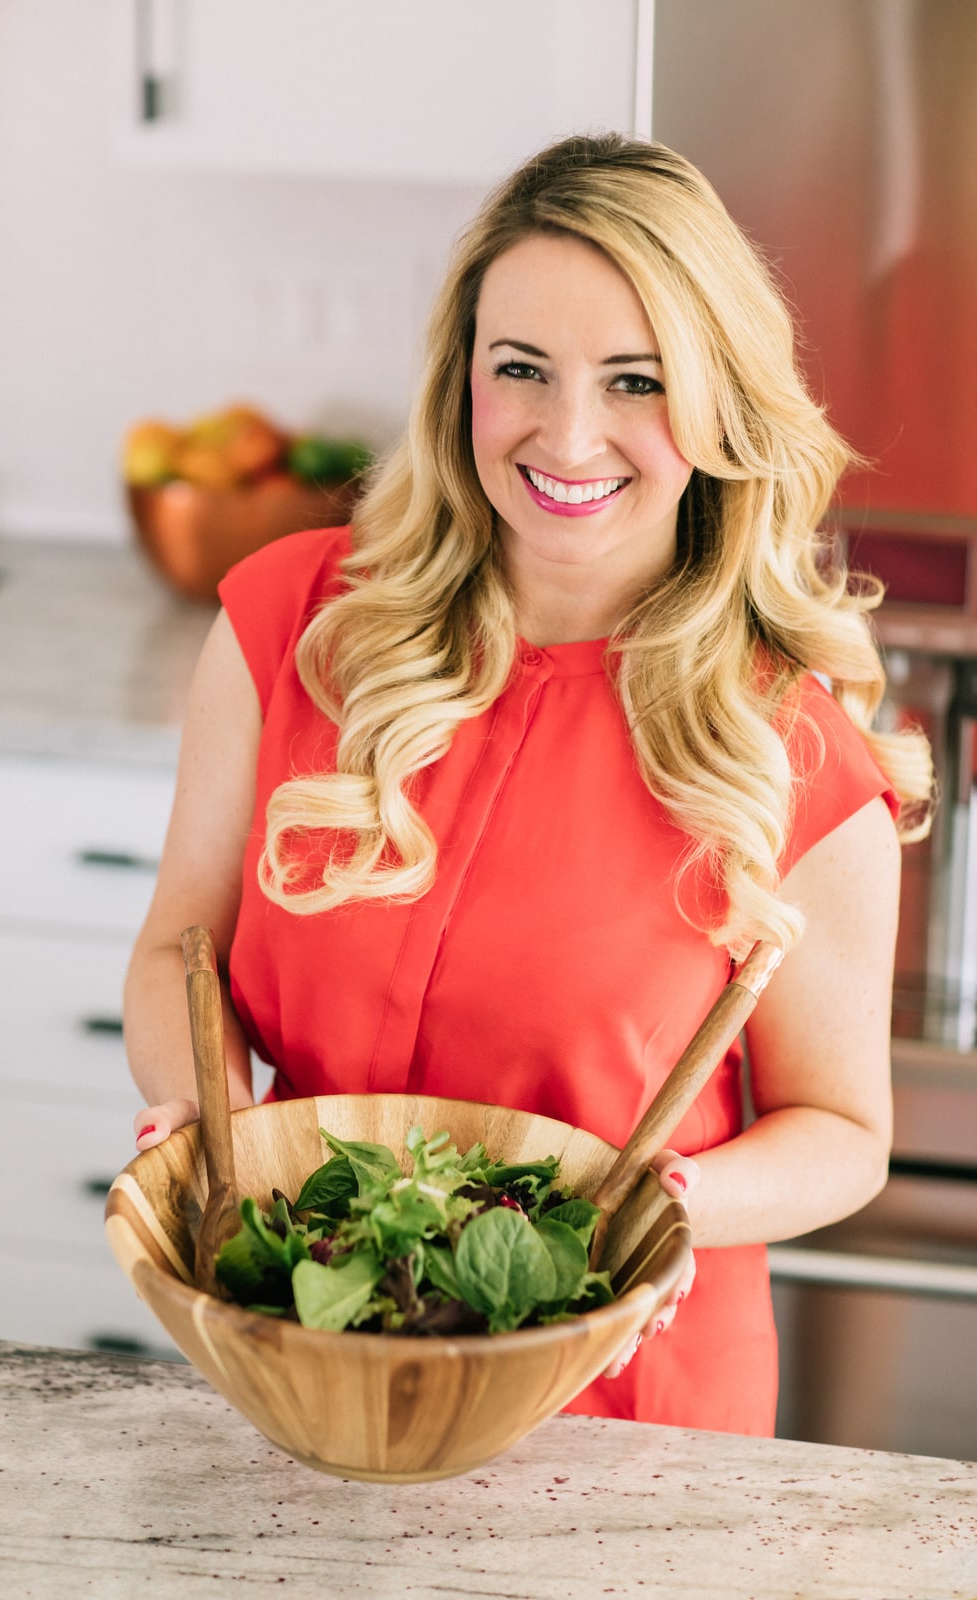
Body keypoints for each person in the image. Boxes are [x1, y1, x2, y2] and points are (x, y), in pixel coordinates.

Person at [123, 133, 934, 1435]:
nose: (570, 434)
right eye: (523, 370)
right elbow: (179, 949)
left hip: (625, 1413)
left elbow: (841, 1129)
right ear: (462, 385)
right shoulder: (291, 626)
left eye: (636, 381)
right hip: (304, 1359)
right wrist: (204, 1125)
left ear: (719, 401)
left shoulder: (786, 745)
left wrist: (666, 1209)